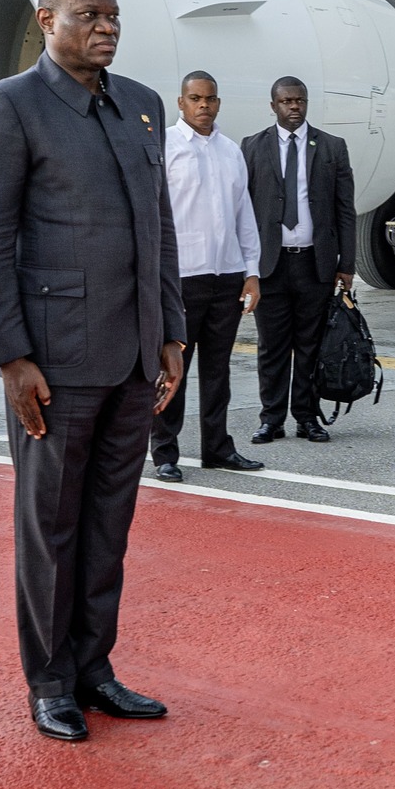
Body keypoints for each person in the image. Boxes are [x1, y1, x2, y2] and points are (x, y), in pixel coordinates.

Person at [0, 0, 183, 743]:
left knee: (108, 525)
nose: (108, 28)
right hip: (53, 364)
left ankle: (95, 668)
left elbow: (160, 227)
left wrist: (173, 331)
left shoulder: (144, 108)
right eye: (90, 15)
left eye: (114, 16)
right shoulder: (11, 107)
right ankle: (48, 680)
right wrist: (11, 355)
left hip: (130, 359)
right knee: (50, 527)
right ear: (48, 20)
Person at [152, 71, 265, 482]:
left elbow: (244, 216)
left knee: (219, 370)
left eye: (210, 99)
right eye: (195, 99)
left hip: (227, 276)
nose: (204, 106)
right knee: (173, 367)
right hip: (182, 277)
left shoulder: (231, 151)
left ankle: (217, 448)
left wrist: (251, 273)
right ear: (181, 103)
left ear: (219, 102)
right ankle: (165, 451)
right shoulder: (164, 146)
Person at [243, 77, 355, 444]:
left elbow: (345, 211)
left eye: (300, 101)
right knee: (271, 347)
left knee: (310, 345)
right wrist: (245, 268)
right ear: (273, 105)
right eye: (287, 101)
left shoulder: (332, 147)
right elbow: (242, 211)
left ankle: (307, 417)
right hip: (270, 265)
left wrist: (347, 264)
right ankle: (271, 419)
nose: (294, 107)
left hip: (315, 263)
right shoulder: (252, 147)